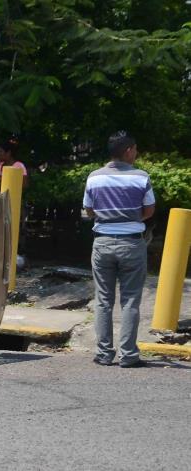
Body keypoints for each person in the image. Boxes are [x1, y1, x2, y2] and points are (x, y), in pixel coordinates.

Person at [83, 131, 155, 368]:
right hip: (132, 243)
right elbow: (149, 211)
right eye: (135, 149)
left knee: (103, 300)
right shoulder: (141, 177)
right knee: (131, 300)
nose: (137, 153)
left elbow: (88, 210)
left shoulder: (94, 177)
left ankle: (104, 354)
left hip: (102, 241)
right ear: (128, 151)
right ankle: (128, 355)